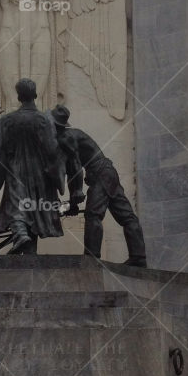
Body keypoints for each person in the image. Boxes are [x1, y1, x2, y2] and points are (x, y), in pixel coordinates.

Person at [0, 78, 65, 253]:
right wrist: (56, 174)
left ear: (18, 97)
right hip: (39, 174)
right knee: (32, 209)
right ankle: (24, 243)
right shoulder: (43, 120)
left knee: (16, 205)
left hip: (16, 170)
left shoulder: (8, 120)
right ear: (35, 95)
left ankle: (21, 237)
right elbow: (52, 149)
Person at [51, 104, 146, 267]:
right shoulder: (71, 135)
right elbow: (72, 169)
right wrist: (73, 200)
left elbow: (75, 166)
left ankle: (92, 258)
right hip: (108, 172)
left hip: (101, 174)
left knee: (93, 215)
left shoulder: (66, 137)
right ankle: (138, 256)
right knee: (126, 215)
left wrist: (77, 193)